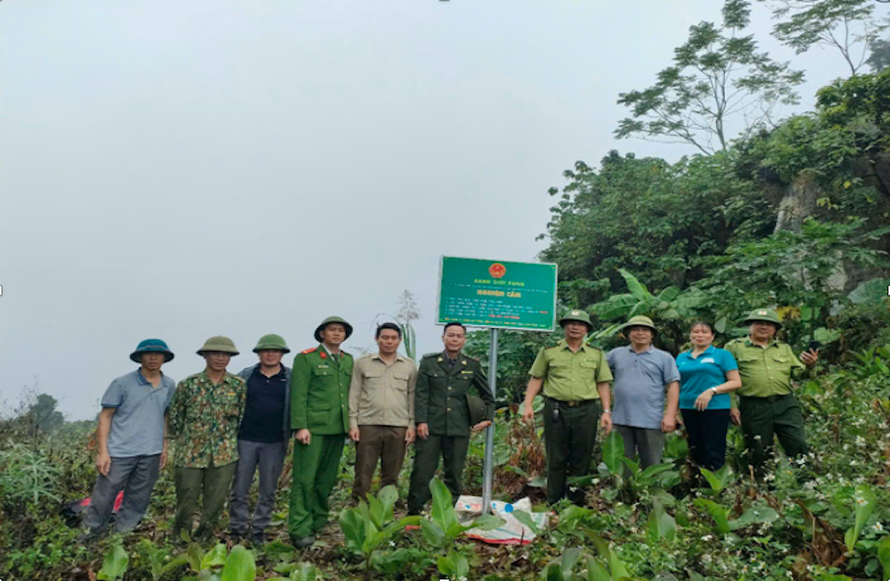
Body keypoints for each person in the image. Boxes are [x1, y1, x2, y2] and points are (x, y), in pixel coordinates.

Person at [82, 339, 176, 540]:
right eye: (148, 354)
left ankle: (120, 537)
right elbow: (105, 416)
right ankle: (90, 538)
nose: (153, 358)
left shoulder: (169, 385)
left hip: (151, 451)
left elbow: (164, 415)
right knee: (104, 496)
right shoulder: (122, 383)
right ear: (140, 357)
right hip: (120, 451)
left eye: (158, 354)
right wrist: (103, 452)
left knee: (138, 498)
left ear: (164, 358)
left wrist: (164, 446)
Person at [521, 310, 613, 505]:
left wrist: (606, 412)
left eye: (580, 324)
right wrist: (528, 404)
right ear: (564, 327)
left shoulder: (596, 354)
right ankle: (554, 502)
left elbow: (603, 383)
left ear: (587, 329)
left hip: (586, 410)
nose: (575, 327)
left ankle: (576, 503)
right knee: (556, 457)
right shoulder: (549, 351)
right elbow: (537, 378)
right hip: (556, 409)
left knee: (582, 457)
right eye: (570, 323)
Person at [407, 322, 495, 515]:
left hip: (458, 427)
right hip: (431, 426)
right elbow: (421, 394)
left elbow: (488, 396)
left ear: (464, 340)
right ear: (443, 337)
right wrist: (421, 421)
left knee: (454, 474)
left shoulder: (471, 365)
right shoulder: (429, 362)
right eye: (451, 335)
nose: (454, 339)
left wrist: (487, 418)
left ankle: (445, 514)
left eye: (459, 336)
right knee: (422, 471)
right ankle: (413, 514)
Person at [168, 336, 245, 541]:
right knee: (186, 499)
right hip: (189, 453)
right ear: (205, 356)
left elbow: (242, 418)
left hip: (224, 454)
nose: (220, 358)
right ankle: (180, 540)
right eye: (215, 354)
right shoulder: (188, 385)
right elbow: (175, 417)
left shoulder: (238, 386)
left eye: (225, 355)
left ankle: (203, 540)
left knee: (216, 501)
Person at [726, 308, 818, 478]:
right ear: (749, 326)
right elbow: (726, 379)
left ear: (775, 329)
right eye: (759, 323)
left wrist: (810, 365)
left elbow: (798, 374)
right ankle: (765, 491)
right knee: (759, 449)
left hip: (785, 404)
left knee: (797, 443)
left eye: (769, 324)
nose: (764, 327)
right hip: (754, 406)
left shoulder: (784, 348)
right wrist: (732, 406)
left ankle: (807, 484)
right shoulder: (735, 348)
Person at [289, 316, 354, 548]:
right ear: (322, 334)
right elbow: (299, 394)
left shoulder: (347, 360)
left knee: (326, 480)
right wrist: (300, 426)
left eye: (341, 331)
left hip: (337, 429)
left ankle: (318, 521)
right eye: (332, 330)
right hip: (312, 429)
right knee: (305, 479)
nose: (336, 334)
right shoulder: (307, 358)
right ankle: (299, 528)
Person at [229, 334, 293, 545]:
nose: (270, 354)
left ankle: (258, 531)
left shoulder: (291, 378)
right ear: (258, 353)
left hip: (275, 441)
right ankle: (237, 529)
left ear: (282, 354)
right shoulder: (246, 376)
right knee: (240, 488)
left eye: (275, 350)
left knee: (268, 489)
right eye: (266, 350)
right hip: (245, 439)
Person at [349, 323, 418, 503]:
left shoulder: (409, 366)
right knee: (363, 471)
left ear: (400, 341)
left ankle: (385, 511)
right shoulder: (362, 363)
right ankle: (360, 509)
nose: (389, 342)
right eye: (385, 337)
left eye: (394, 338)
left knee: (391, 473)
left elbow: (412, 396)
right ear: (377, 339)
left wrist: (412, 425)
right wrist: (353, 424)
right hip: (367, 424)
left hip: (398, 426)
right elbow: (354, 393)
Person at [608, 315, 681, 469]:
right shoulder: (615, 354)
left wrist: (669, 415)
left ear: (652, 334)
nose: (640, 333)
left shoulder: (664, 358)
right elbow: (599, 376)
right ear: (628, 334)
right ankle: (624, 493)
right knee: (621, 466)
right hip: (621, 419)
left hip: (651, 420)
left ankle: (651, 493)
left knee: (651, 465)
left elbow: (673, 386)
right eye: (635, 329)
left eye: (645, 330)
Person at [676, 321, 741, 472]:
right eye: (696, 331)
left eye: (705, 332)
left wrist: (711, 390)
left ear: (712, 336)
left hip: (715, 407)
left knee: (713, 448)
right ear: (690, 335)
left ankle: (716, 487)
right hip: (688, 407)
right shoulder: (681, 358)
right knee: (695, 447)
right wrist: (674, 410)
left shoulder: (722, 355)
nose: (700, 335)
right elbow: (676, 385)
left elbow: (736, 382)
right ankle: (698, 485)